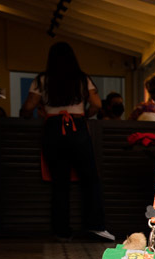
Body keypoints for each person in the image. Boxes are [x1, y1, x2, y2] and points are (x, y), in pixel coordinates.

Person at [20, 42, 114, 242]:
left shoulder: (42, 80)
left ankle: (62, 231)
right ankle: (95, 226)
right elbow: (97, 104)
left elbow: (28, 106)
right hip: (77, 127)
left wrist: (30, 113)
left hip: (53, 129)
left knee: (59, 183)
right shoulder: (82, 79)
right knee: (90, 179)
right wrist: (85, 114)